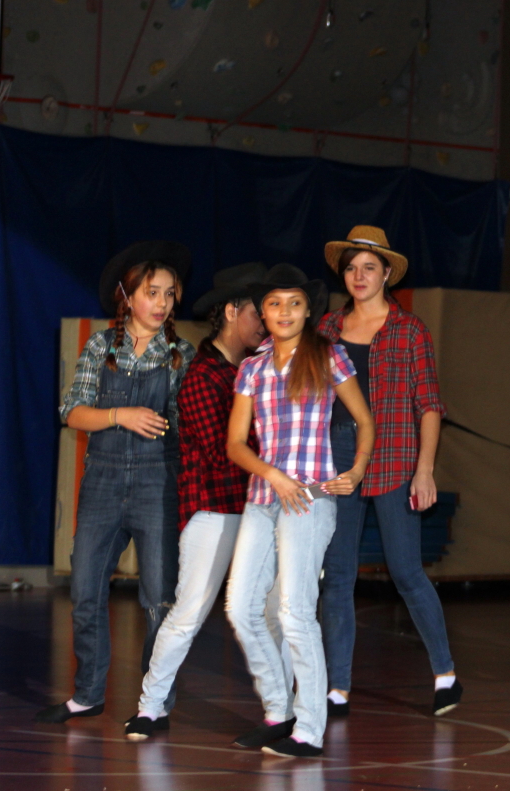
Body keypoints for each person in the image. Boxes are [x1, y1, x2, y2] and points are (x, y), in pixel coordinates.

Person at [123, 263, 292, 742]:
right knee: (189, 612)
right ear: (232, 312)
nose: (266, 323)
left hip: (260, 507)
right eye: (258, 313)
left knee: (274, 614)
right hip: (217, 510)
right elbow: (225, 452)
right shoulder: (203, 376)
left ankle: (283, 712)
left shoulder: (258, 370)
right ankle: (150, 707)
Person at [38, 241, 196, 724]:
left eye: (169, 293)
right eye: (152, 292)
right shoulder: (100, 346)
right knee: (85, 592)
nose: (162, 302)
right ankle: (88, 693)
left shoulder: (181, 354)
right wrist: (119, 414)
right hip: (103, 485)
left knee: (159, 601)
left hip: (157, 484)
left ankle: (155, 704)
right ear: (127, 297)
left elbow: (188, 427)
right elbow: (71, 412)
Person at [224, 264, 374, 758]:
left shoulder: (328, 356)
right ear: (262, 313)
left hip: (310, 498)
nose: (284, 311)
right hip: (265, 497)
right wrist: (272, 475)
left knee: (294, 612)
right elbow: (235, 444)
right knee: (240, 608)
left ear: (309, 310)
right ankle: (280, 710)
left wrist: (356, 470)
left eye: (294, 303)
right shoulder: (252, 368)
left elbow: (364, 420)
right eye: (274, 303)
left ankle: (310, 728)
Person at [317, 226, 459, 717]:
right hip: (337, 455)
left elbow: (429, 405)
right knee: (337, 574)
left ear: (386, 275)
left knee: (406, 570)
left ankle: (445, 674)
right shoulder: (327, 329)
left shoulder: (409, 330)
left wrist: (425, 470)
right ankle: (337, 687)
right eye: (351, 268)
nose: (359, 276)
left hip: (395, 454)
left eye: (369, 268)